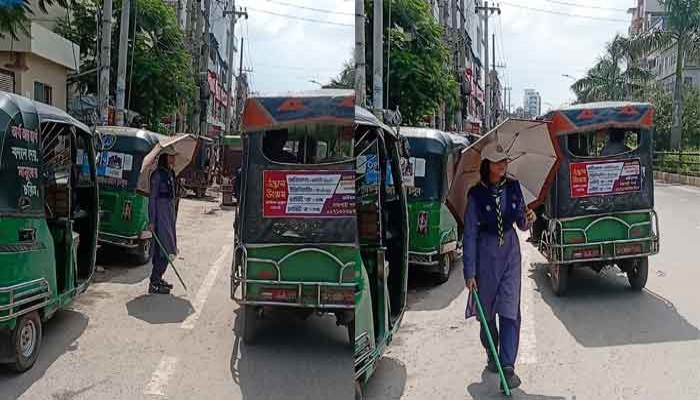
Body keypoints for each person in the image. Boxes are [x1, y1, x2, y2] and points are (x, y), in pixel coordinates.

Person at [463, 142, 536, 391]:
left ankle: (507, 365)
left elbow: (522, 225)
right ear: (487, 165)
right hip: (485, 255)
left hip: (510, 254)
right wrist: (469, 272)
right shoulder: (475, 195)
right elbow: (470, 234)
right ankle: (491, 346)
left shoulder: (514, 188)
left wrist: (529, 219)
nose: (503, 164)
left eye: (505, 160)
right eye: (498, 161)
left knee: (509, 308)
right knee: (486, 313)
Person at [148, 149, 178, 294]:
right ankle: (154, 282)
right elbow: (152, 198)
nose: (174, 159)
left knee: (170, 248)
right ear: (165, 157)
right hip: (160, 215)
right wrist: (152, 220)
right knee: (163, 249)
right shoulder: (157, 175)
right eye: (172, 156)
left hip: (169, 215)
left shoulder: (170, 174)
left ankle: (159, 277)